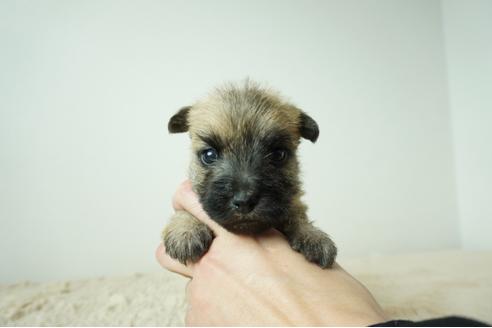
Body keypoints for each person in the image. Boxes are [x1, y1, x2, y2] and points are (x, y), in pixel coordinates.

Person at [156, 181, 487, 326]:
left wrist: (302, 230)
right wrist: (185, 222)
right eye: (211, 155)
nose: (245, 188)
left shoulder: (290, 213)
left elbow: (297, 223)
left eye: (276, 155)